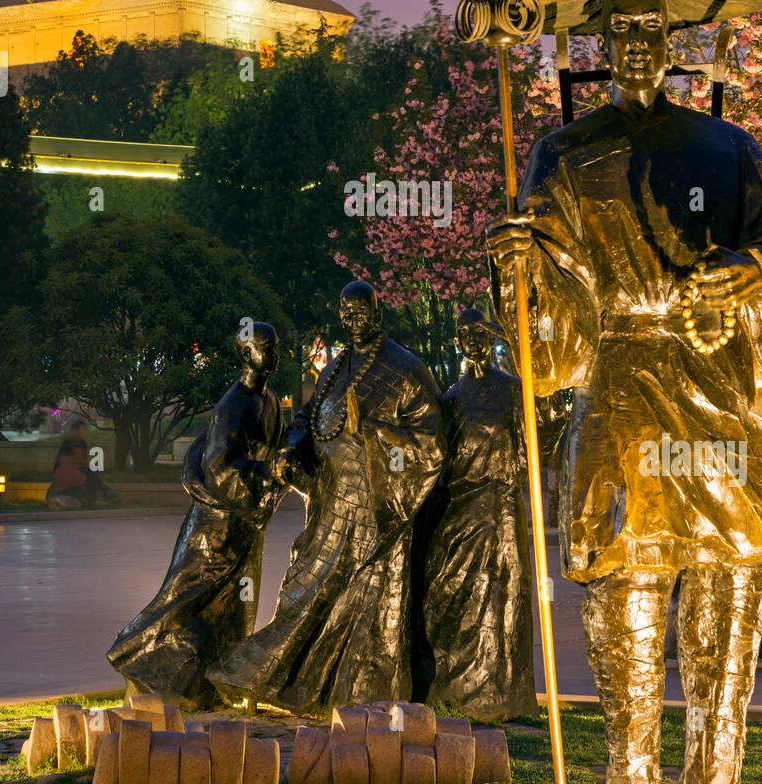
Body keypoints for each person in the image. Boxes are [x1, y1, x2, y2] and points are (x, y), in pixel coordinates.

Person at [487, 0, 762, 784]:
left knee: (728, 600)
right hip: (627, 388)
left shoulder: (727, 146)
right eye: (623, 30)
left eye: (653, 29)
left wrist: (751, 273)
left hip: (720, 390)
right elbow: (552, 331)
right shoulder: (565, 155)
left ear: (674, 43)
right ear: (599, 46)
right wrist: (518, 265)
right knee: (630, 607)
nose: (639, 43)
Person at [207, 281, 445, 712]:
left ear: (378, 314)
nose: (354, 321)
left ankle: (357, 694)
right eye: (347, 313)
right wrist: (290, 447)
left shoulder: (407, 369)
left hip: (378, 511)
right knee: (305, 589)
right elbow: (308, 418)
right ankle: (273, 680)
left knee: (365, 602)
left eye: (362, 312)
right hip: (331, 502)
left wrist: (373, 433)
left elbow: (430, 444)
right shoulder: (337, 366)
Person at [107, 323, 285, 710]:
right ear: (245, 355)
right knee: (184, 600)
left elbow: (277, 450)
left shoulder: (270, 402)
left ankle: (213, 683)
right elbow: (220, 468)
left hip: (244, 525)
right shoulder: (232, 406)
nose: (273, 354)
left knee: (236, 606)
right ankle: (141, 660)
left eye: (275, 347)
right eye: (264, 347)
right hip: (214, 528)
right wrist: (267, 473)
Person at [421, 307, 538, 720]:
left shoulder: (511, 390)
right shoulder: (451, 399)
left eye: (479, 332)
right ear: (457, 343)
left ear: (490, 339)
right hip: (461, 507)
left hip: (500, 506)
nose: (472, 339)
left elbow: (531, 448)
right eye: (464, 334)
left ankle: (500, 693)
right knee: (449, 590)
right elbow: (439, 460)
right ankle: (455, 687)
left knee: (499, 592)